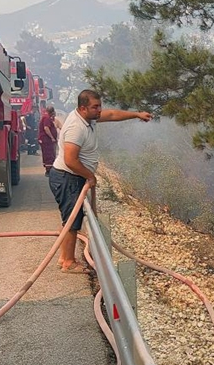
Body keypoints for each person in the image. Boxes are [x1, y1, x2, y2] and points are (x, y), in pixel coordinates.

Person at [49, 89, 152, 273]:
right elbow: (70, 160)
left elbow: (112, 114)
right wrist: (90, 176)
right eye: (95, 107)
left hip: (72, 177)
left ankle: (63, 257)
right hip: (68, 177)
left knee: (70, 217)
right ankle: (68, 262)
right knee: (72, 220)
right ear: (82, 108)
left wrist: (136, 114)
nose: (99, 110)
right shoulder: (76, 127)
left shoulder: (87, 118)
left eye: (99, 106)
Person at [38, 106, 58, 176]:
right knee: (49, 155)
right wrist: (52, 137)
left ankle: (49, 169)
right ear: (51, 112)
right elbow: (46, 128)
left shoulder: (46, 117)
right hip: (47, 140)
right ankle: (49, 170)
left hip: (46, 139)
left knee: (48, 154)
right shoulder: (47, 118)